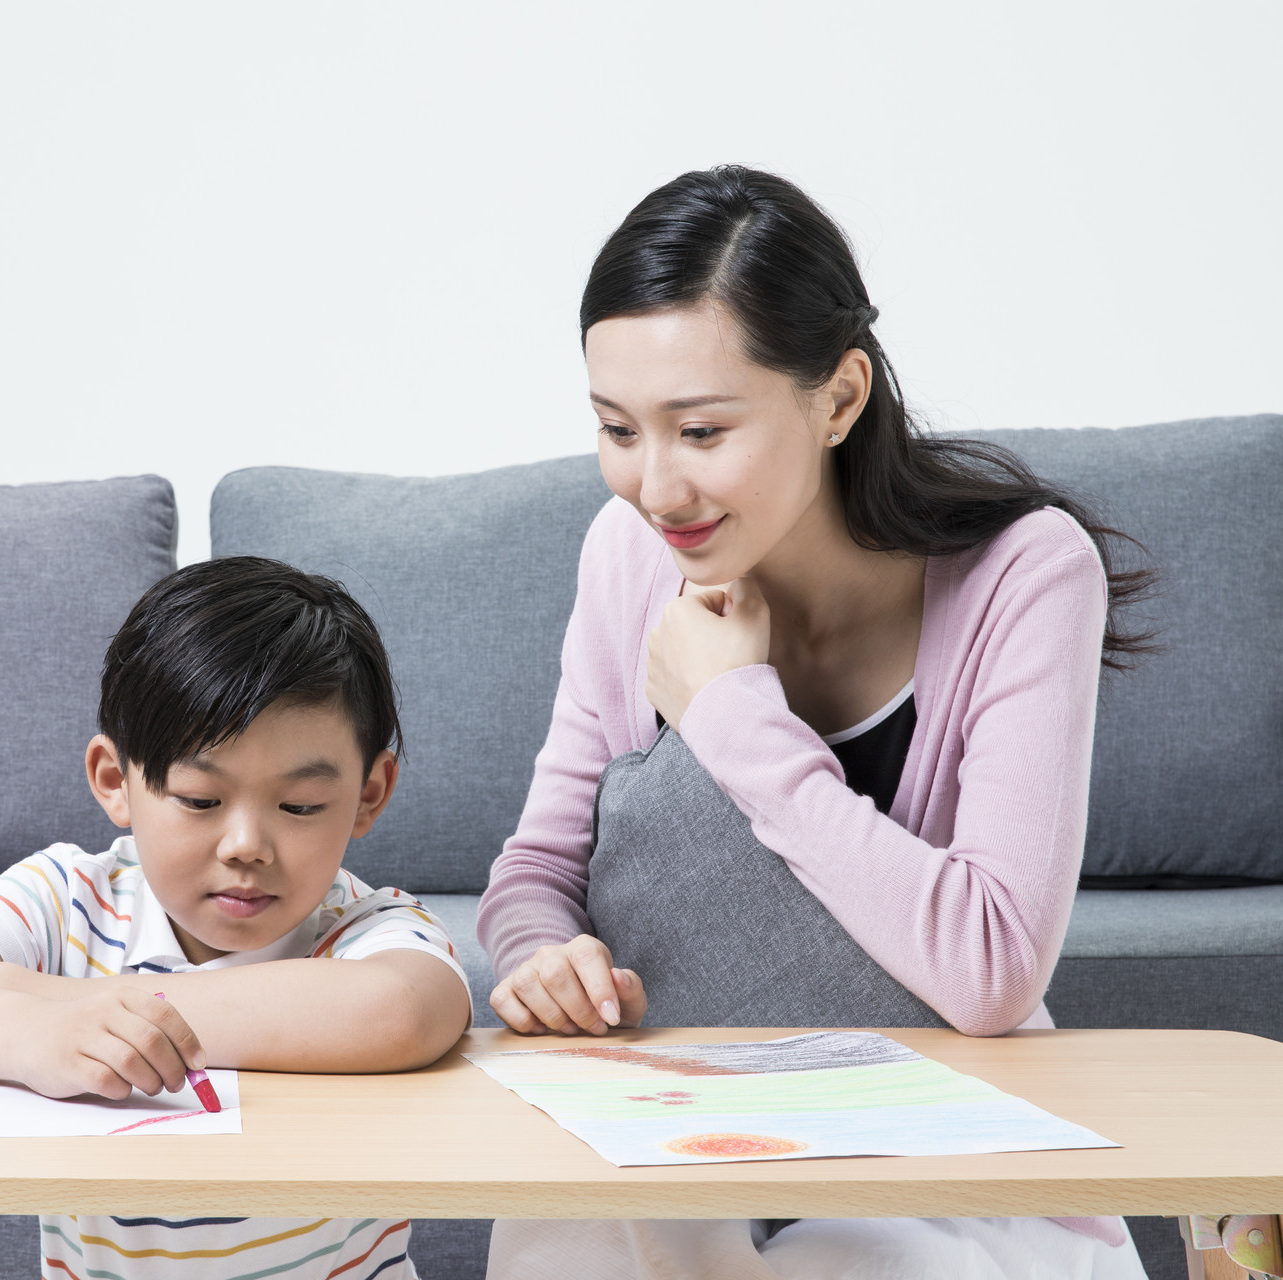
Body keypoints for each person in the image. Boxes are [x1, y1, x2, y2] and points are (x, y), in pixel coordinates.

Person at [476, 166, 1154, 1279]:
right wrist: (548, 957)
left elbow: (991, 967)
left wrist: (735, 717)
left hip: (941, 1147)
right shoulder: (623, 558)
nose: (655, 487)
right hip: (677, 1137)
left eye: (700, 430)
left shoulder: (1024, 575)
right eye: (616, 428)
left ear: (838, 397)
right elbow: (537, 867)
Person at [0, 555, 472, 1280]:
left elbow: (401, 1011)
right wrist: (31, 1033)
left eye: (300, 807)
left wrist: (50, 996)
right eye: (199, 799)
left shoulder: (368, 927)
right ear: (114, 781)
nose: (247, 846)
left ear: (371, 794)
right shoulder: (66, 897)